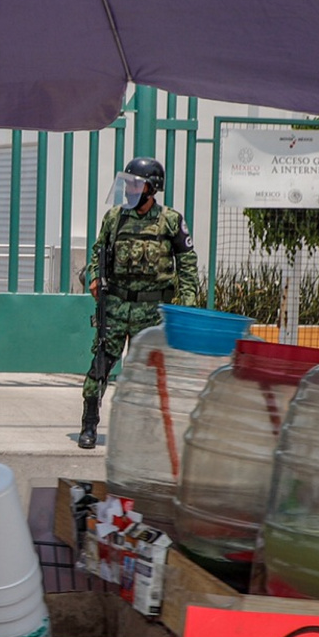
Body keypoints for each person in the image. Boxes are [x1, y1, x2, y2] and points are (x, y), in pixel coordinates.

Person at [78, 155, 198, 450]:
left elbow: (187, 265)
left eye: (136, 184)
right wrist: (93, 277)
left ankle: (145, 431)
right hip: (117, 306)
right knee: (100, 366)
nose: (130, 189)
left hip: (152, 311)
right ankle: (89, 424)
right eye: (129, 183)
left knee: (149, 374)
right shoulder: (115, 217)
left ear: (151, 188)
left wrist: (188, 307)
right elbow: (98, 252)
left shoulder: (171, 220)